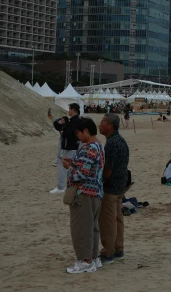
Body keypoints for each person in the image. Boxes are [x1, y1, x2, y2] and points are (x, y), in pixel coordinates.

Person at [65, 117, 105, 274]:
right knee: (92, 227)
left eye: (78, 132)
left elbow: (81, 174)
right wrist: (74, 164)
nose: (77, 136)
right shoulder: (99, 146)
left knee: (81, 228)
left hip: (84, 193)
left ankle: (85, 261)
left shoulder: (89, 148)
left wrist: (70, 169)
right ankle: (93, 258)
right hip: (95, 192)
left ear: (86, 131)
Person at [98, 114, 129, 265]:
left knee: (108, 220)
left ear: (110, 126)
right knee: (117, 218)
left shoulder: (111, 144)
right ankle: (119, 249)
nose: (99, 124)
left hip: (111, 186)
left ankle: (108, 252)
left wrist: (100, 180)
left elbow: (108, 169)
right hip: (120, 185)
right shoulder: (120, 140)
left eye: (102, 122)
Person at [50, 103, 82, 194]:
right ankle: (73, 185)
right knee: (75, 166)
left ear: (73, 109)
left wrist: (63, 132)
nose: (68, 111)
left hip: (70, 147)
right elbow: (63, 128)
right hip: (75, 147)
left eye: (69, 109)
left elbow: (68, 133)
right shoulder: (77, 120)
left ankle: (60, 187)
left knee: (62, 166)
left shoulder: (74, 121)